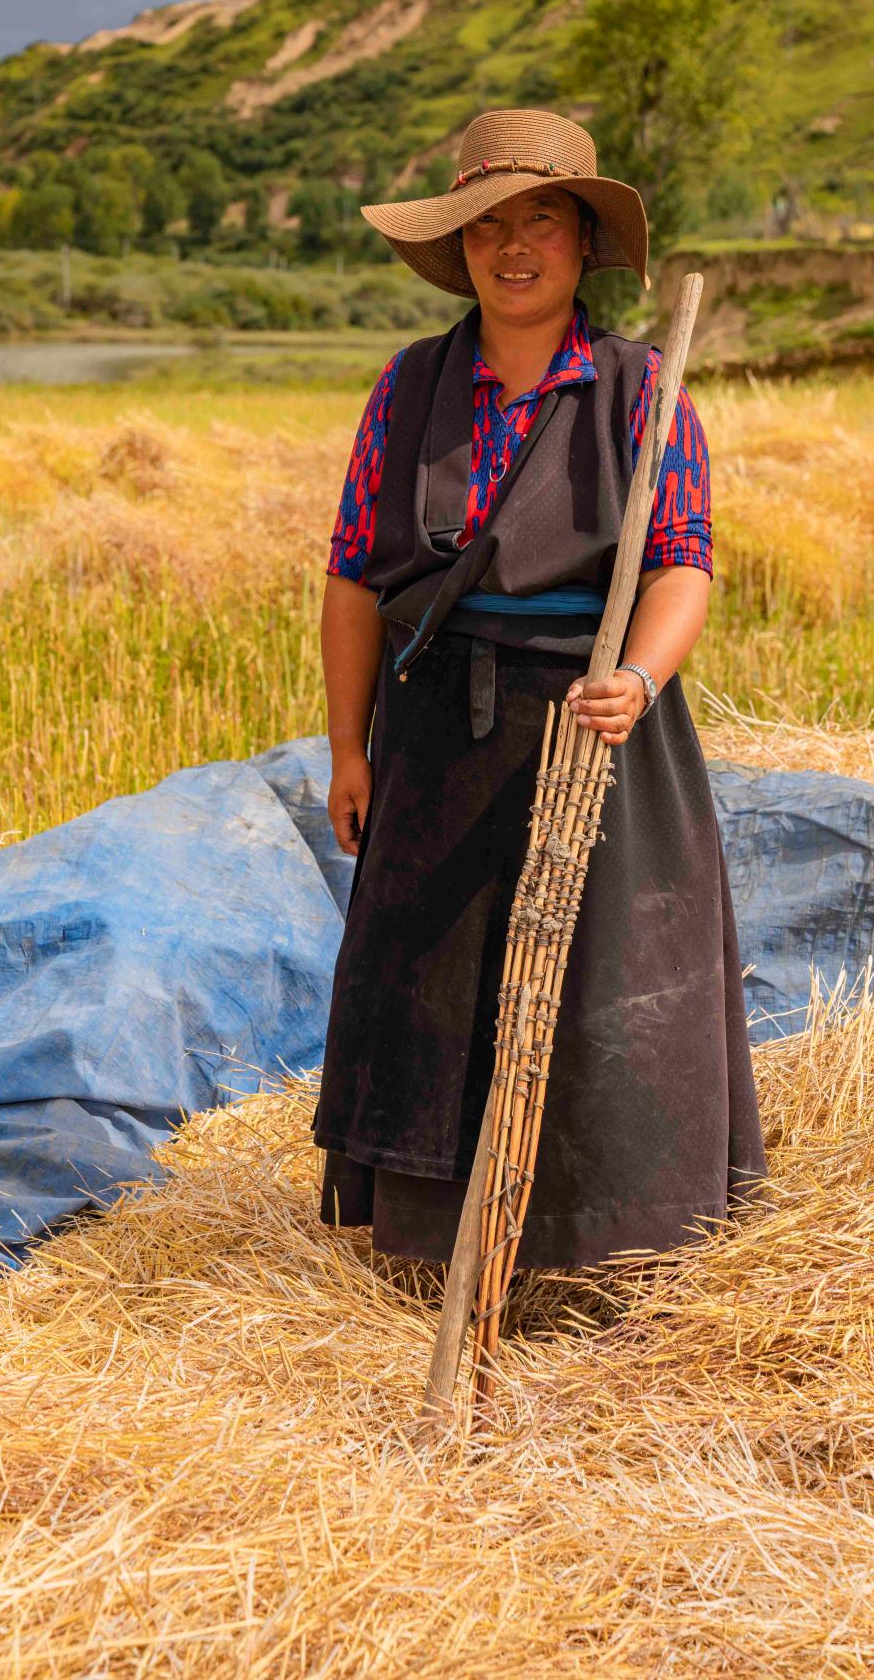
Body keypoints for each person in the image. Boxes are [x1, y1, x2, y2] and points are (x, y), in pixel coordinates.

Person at [312, 108, 766, 1272]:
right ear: (458, 246)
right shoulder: (412, 387)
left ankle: (609, 1245)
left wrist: (637, 677)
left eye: (542, 222)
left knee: (604, 990)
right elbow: (356, 578)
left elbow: (682, 561)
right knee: (433, 991)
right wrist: (349, 749)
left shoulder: (640, 392)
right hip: (435, 735)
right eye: (488, 225)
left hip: (597, 732)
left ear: (580, 242)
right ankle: (432, 1242)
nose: (515, 248)